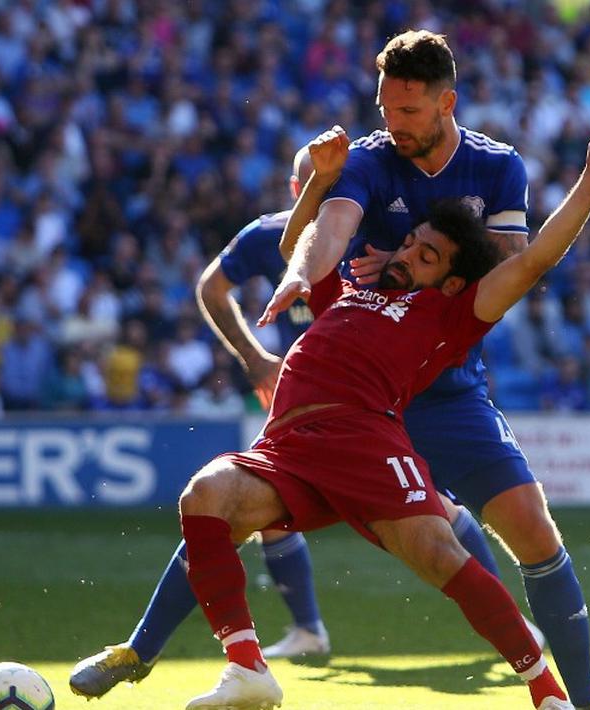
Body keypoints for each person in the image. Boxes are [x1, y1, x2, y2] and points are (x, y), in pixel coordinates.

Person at [177, 116, 590, 709]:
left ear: (452, 282)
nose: (407, 257)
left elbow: (532, 262)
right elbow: (296, 247)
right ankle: (246, 667)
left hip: (366, 442)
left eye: (427, 257)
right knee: (205, 494)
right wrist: (319, 183)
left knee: (441, 556)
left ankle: (547, 692)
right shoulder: (356, 284)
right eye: (410, 242)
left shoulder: (451, 314)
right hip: (292, 446)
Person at [71, 145, 520, 697]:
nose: (330, 192)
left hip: (379, 404)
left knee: (435, 514)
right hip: (302, 404)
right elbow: (213, 285)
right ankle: (174, 646)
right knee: (225, 510)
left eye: (337, 184)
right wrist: (254, 357)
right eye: (315, 183)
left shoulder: (378, 240)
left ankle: (518, 636)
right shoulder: (274, 234)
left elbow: (458, 279)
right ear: (296, 188)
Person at [271, 31, 590, 710]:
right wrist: (303, 274)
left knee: (531, 526)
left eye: (406, 111)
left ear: (446, 103)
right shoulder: (367, 159)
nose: (392, 124)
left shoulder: (497, 168)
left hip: (447, 386)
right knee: (242, 503)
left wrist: (411, 267)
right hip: (363, 397)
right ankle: (173, 650)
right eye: (384, 109)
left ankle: (585, 699)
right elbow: (324, 233)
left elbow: (517, 267)